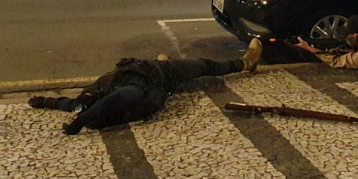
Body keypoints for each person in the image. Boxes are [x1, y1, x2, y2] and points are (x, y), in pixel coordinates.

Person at [28, 39, 263, 135]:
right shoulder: (126, 100)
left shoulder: (85, 103)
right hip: (165, 75)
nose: (86, 94)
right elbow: (119, 96)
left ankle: (161, 60)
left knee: (193, 66)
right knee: (204, 66)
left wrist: (43, 101)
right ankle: (245, 63)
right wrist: (78, 124)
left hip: (146, 69)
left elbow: (67, 104)